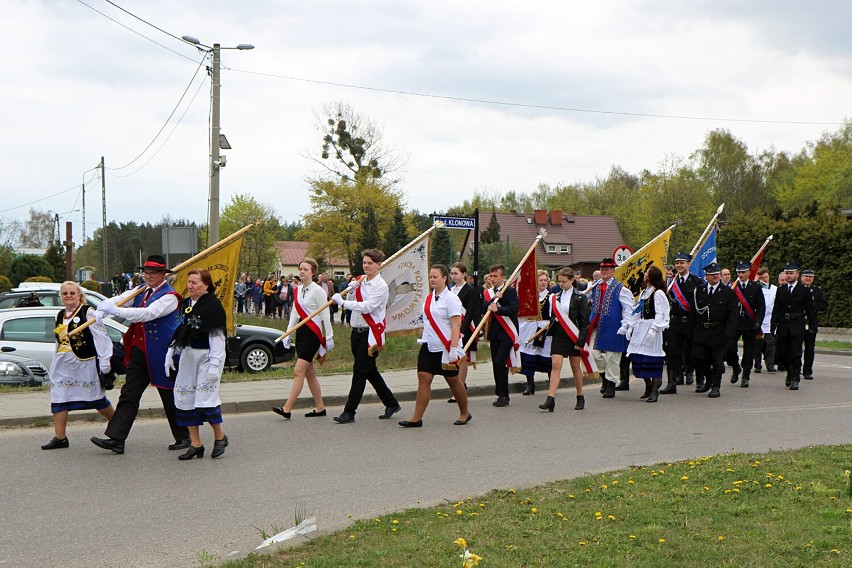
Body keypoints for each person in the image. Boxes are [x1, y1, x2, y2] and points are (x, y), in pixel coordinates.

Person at [91, 255, 189, 454]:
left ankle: (184, 436)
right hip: (140, 352)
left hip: (163, 354)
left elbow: (148, 314)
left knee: (168, 395)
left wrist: (116, 311)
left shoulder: (170, 297)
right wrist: (103, 308)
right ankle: (117, 439)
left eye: (153, 273)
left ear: (163, 275)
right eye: (146, 273)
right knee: (129, 393)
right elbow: (121, 299)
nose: (149, 276)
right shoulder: (141, 290)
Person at [41, 281, 116, 450]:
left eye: (72, 293)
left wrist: (105, 362)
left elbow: (102, 338)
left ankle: (119, 425)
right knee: (59, 397)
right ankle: (60, 438)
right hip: (63, 364)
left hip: (84, 363)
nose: (68, 296)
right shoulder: (59, 315)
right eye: (65, 293)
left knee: (97, 399)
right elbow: (58, 341)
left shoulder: (88, 312)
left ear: (79, 295)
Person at [331, 249, 401, 423]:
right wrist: (352, 289)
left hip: (371, 334)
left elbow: (367, 307)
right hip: (356, 332)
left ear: (379, 265)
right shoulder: (361, 281)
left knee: (360, 372)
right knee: (369, 370)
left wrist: (343, 302)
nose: (366, 266)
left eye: (370, 263)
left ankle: (349, 412)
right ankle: (391, 403)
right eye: (364, 263)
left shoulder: (381, 286)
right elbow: (356, 301)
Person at [166, 269, 229, 460]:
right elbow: (182, 330)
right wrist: (171, 351)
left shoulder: (213, 306)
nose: (190, 286)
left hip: (208, 356)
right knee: (185, 398)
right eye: (189, 282)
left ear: (206, 285)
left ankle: (220, 437)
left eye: (195, 282)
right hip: (188, 355)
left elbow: (217, 336)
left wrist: (214, 365)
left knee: (204, 399)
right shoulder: (187, 304)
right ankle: (196, 444)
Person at [398, 264, 470, 428]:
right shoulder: (428, 298)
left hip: (446, 349)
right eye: (430, 277)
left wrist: (453, 349)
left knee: (453, 382)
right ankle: (416, 418)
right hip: (429, 346)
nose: (432, 279)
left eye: (435, 276)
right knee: (423, 378)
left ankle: (465, 412)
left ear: (445, 278)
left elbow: (456, 326)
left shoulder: (452, 299)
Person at [272, 259, 333, 420]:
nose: (302, 271)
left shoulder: (318, 290)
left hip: (313, 333)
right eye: (300, 269)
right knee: (309, 373)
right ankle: (320, 407)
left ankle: (287, 408)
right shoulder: (297, 290)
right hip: (301, 332)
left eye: (305, 269)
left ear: (313, 272)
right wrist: (288, 333)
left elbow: (325, 314)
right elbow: (295, 313)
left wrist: (330, 335)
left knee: (298, 371)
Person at [539, 267, 589, 412]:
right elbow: (553, 316)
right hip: (559, 333)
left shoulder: (580, 297)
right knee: (555, 365)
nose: (560, 284)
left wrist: (581, 342)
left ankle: (580, 396)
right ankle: (550, 398)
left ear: (572, 280)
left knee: (575, 367)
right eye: (559, 281)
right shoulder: (556, 297)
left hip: (573, 334)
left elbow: (585, 322)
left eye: (564, 281)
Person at [588, 258, 634, 399]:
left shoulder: (621, 289)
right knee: (593, 354)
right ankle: (605, 378)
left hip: (614, 326)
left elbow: (628, 308)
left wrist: (625, 325)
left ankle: (611, 385)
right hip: (597, 326)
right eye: (602, 269)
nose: (604, 271)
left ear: (613, 271)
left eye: (607, 269)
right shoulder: (595, 286)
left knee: (613, 358)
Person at [623, 266, 670, 402]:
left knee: (652, 358)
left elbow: (661, 313)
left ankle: (655, 389)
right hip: (641, 327)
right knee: (638, 357)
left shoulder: (658, 293)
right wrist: (630, 326)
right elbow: (637, 310)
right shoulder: (644, 292)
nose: (644, 274)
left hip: (652, 327)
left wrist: (655, 328)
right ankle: (648, 384)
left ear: (652, 276)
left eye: (647, 272)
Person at [691, 262, 738, 398]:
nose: (716, 276)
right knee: (697, 358)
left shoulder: (727, 292)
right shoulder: (699, 290)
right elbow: (694, 313)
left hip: (718, 331)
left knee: (717, 361)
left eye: (717, 273)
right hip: (701, 330)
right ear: (706, 276)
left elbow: (733, 314)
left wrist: (729, 332)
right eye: (712, 274)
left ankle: (716, 386)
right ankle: (709, 377)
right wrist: (691, 332)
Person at [660, 252, 702, 394]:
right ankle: (672, 383)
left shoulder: (697, 282)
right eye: (677, 263)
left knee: (693, 352)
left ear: (688, 264)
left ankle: (696, 377)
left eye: (682, 263)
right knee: (672, 353)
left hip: (690, 322)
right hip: (674, 322)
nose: (679, 265)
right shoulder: (671, 282)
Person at [771, 262, 816, 391]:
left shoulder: (803, 290)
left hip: (797, 325)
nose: (789, 275)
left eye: (791, 273)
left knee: (796, 354)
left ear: (797, 274)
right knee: (782, 355)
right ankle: (790, 372)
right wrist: (773, 326)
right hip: (784, 325)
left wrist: (812, 326)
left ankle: (795, 378)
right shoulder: (781, 290)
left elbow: (810, 309)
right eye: (787, 273)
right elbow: (776, 310)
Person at [482, 264, 520, 407]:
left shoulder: (510, 291)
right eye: (490, 276)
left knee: (500, 362)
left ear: (503, 277)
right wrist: (493, 300)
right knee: (496, 364)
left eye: (495, 276)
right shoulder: (489, 293)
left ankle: (504, 395)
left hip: (507, 332)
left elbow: (513, 309)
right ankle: (501, 394)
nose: (492, 279)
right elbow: (484, 308)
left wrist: (498, 308)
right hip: (494, 333)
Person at [725, 261, 766, 388]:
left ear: (749, 272)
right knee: (729, 348)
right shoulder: (732, 287)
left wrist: (758, 321)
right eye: (739, 272)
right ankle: (736, 367)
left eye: (743, 272)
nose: (741, 275)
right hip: (735, 323)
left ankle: (746, 375)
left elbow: (760, 306)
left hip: (749, 323)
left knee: (749, 351)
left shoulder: (756, 287)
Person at [448, 263, 479, 403]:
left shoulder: (470, 290)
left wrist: (462, 331)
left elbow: (471, 311)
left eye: (456, 273)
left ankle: (459, 390)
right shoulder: (450, 290)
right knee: (453, 359)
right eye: (452, 273)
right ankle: (459, 387)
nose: (453, 276)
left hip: (465, 328)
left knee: (462, 359)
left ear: (464, 274)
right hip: (451, 328)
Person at [518, 270, 552, 396]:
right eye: (541, 280)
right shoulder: (530, 296)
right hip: (530, 328)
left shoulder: (551, 296)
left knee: (547, 357)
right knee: (528, 356)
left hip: (545, 329)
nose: (543, 282)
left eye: (545, 280)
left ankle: (552, 384)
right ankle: (530, 385)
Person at [800, 268, 829, 381]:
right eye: (806, 276)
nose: (808, 279)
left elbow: (824, 305)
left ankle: (807, 371)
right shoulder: (797, 289)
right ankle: (794, 369)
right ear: (801, 277)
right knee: (795, 348)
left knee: (810, 348)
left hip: (811, 323)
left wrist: (810, 306)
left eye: (810, 277)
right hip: (798, 322)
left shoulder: (817, 291)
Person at [754, 268, 777, 374]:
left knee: (770, 343)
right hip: (758, 320)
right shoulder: (756, 288)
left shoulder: (774, 289)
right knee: (758, 344)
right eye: (762, 277)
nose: (765, 279)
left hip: (769, 321)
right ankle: (757, 365)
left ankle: (770, 364)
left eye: (766, 277)